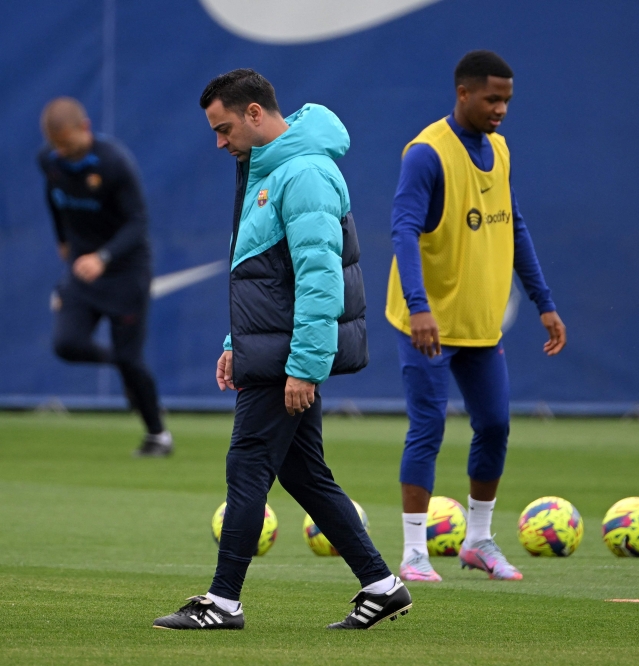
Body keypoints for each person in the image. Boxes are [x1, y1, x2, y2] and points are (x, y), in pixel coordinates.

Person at [153, 69, 410, 630]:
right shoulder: (270, 169)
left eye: (223, 129)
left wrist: (304, 366)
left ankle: (223, 602)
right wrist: (234, 344)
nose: (220, 143)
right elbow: (268, 279)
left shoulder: (305, 173)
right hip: (279, 351)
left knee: (247, 465)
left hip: (292, 358)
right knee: (304, 474)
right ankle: (382, 584)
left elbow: (322, 282)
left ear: (253, 113)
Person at [386, 50, 567, 583]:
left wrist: (545, 303)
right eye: (492, 98)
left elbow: (516, 229)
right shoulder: (426, 154)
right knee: (428, 425)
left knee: (494, 425)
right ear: (463, 93)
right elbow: (402, 231)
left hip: (480, 324)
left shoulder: (502, 151)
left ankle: (479, 540)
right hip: (428, 324)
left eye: (507, 100)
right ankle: (414, 551)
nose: (502, 109)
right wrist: (419, 308)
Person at [38, 98, 172, 457]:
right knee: (67, 343)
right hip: (82, 271)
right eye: (57, 146)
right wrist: (64, 241)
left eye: (68, 144)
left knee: (134, 358)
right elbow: (53, 199)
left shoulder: (114, 163)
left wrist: (103, 256)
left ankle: (158, 436)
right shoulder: (49, 162)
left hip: (125, 271)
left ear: (85, 128)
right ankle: (120, 365)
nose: (63, 153)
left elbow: (138, 222)